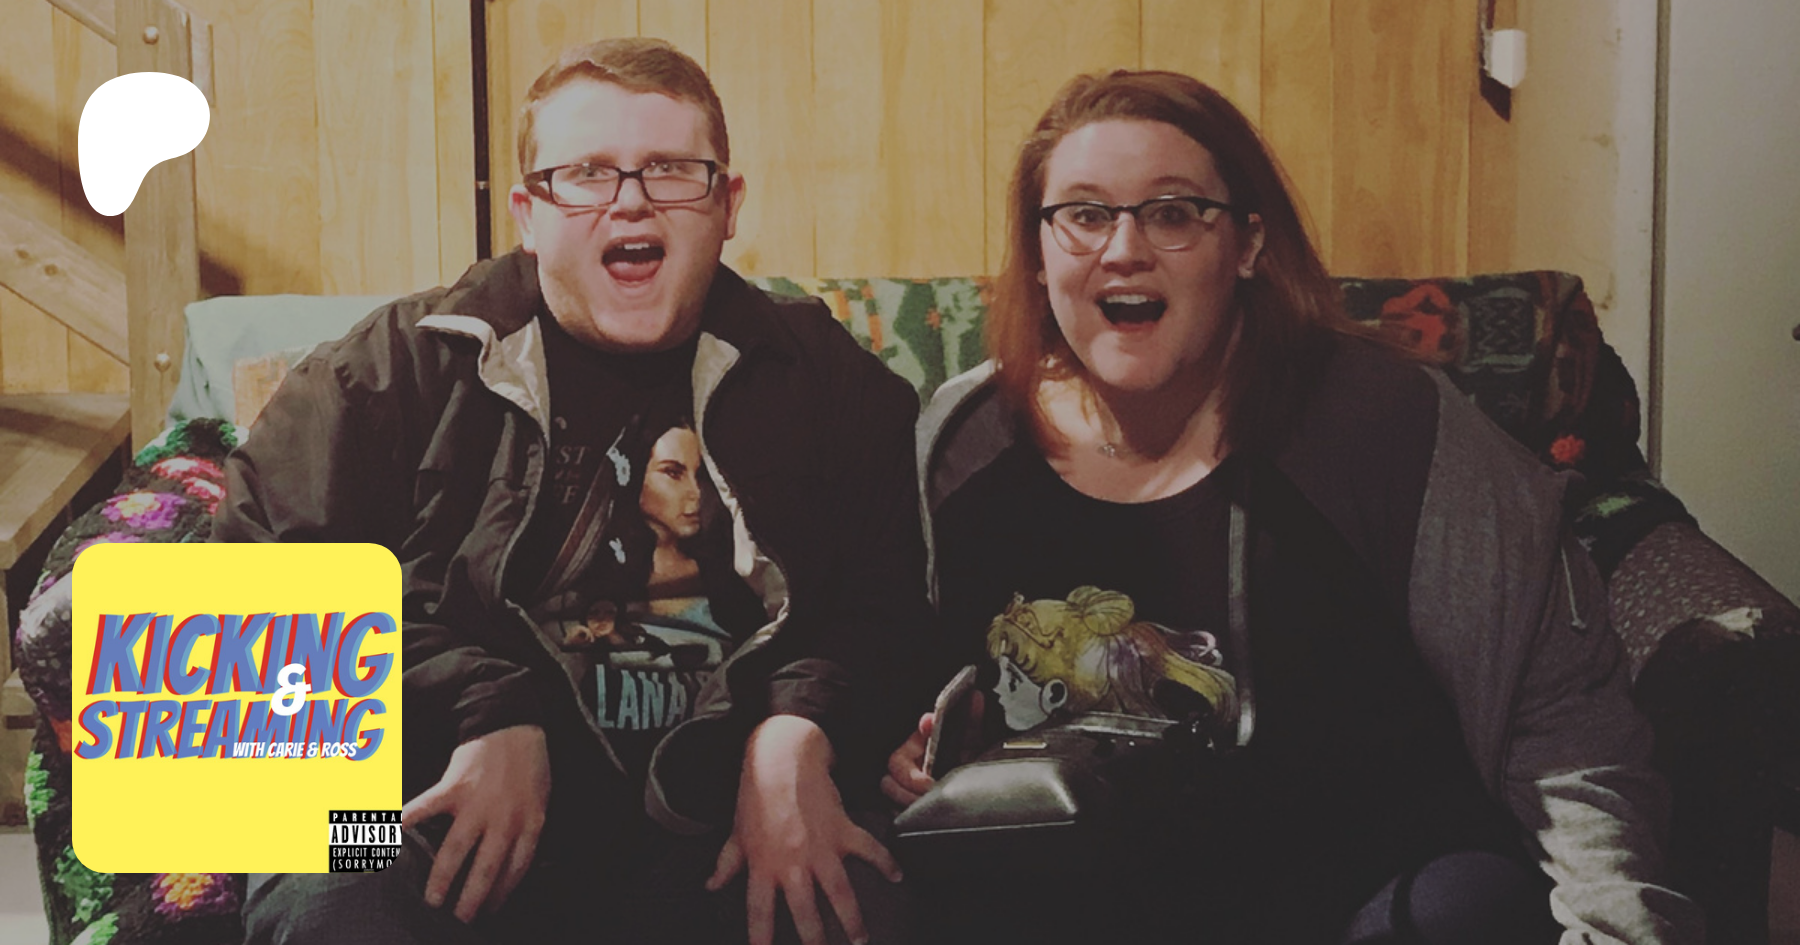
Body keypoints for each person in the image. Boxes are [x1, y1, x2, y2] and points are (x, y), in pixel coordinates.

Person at [883, 69, 1704, 945]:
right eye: (1084, 214)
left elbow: (1565, 721)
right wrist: (923, 758)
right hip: (1093, 896)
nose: (1123, 249)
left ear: (1247, 244)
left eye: (1173, 212)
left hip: (1368, 893)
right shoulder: (966, 437)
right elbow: (934, 680)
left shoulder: (1386, 422)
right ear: (1038, 251)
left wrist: (1617, 923)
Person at [218, 37, 929, 945]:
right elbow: (249, 602)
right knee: (322, 862)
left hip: (712, 830)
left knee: (861, 891)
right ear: (528, 213)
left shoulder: (823, 377)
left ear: (727, 205)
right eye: (586, 174)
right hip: (425, 806)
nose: (630, 200)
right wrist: (480, 705)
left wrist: (801, 727)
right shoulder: (389, 370)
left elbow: (895, 605)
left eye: (671, 170)